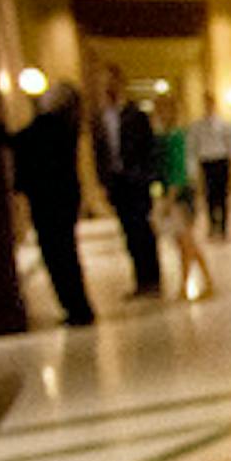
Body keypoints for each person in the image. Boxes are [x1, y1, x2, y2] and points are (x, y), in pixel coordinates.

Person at [7, 81, 93, 327]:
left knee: (58, 253)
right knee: (64, 252)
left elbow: (21, 140)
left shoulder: (51, 124)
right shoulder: (67, 123)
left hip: (51, 199)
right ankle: (77, 306)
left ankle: (76, 307)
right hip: (62, 196)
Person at [90, 65, 163, 298]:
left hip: (137, 182)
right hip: (117, 183)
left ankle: (153, 279)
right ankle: (140, 280)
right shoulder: (100, 118)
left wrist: (148, 177)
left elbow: (150, 149)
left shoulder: (136, 115)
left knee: (143, 230)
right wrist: (103, 182)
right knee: (129, 233)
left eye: (110, 81)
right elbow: (99, 153)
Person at [151, 98, 215, 302]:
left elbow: (178, 171)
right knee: (183, 243)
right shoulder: (164, 137)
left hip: (179, 195)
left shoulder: (176, 138)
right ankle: (190, 284)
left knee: (187, 242)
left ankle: (198, 283)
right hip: (171, 193)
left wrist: (170, 199)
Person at [187, 92, 231, 238]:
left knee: (223, 195)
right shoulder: (197, 126)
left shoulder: (225, 125)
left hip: (221, 161)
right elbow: (192, 149)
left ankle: (224, 227)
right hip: (207, 162)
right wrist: (192, 170)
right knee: (209, 196)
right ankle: (212, 225)